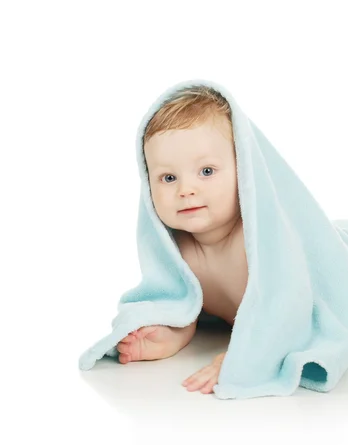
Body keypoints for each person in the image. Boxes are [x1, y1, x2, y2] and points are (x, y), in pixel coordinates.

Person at [116, 86, 248, 394]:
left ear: (245, 171)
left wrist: (244, 356)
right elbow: (186, 304)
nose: (185, 189)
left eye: (206, 170)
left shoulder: (259, 243)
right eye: (169, 178)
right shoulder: (176, 250)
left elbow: (289, 311)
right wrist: (172, 333)